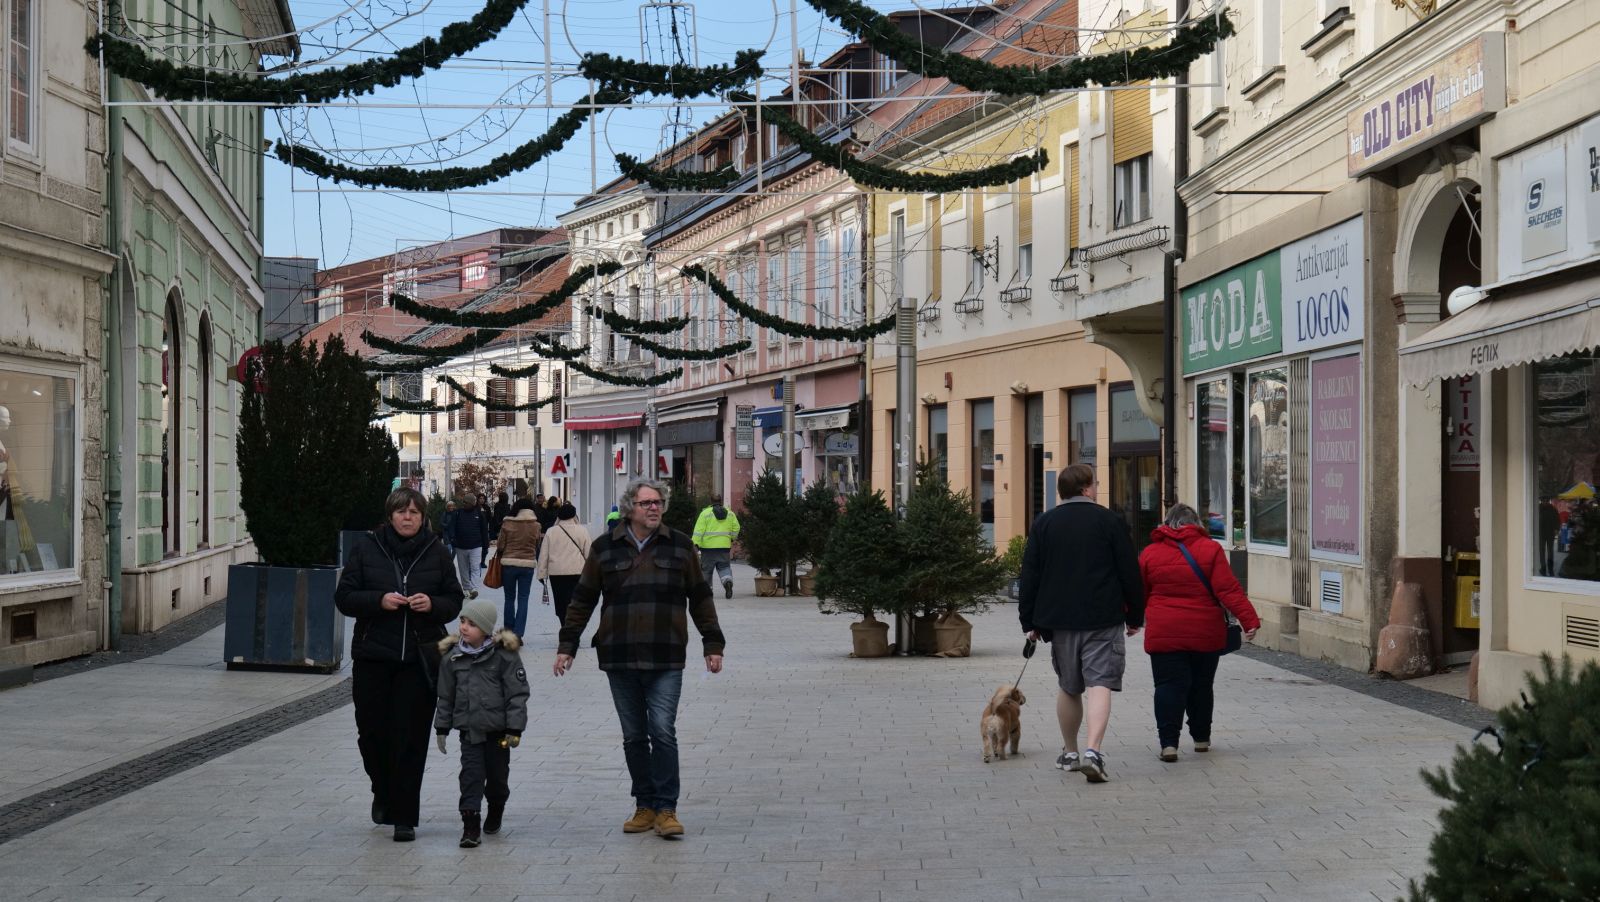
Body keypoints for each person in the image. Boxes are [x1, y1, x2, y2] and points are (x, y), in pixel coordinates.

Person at [553, 479, 725, 838]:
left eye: (658, 502)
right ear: (630, 507)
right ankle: (644, 805)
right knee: (634, 736)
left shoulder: (679, 545)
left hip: (666, 655)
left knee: (662, 731)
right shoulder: (604, 548)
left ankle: (667, 809)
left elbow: (700, 595)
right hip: (620, 656)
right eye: (646, 502)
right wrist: (567, 646)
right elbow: (582, 600)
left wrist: (713, 643)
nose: (654, 507)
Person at [334, 487, 464, 842]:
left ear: (423, 517)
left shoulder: (436, 552)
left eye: (414, 512)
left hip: (418, 660)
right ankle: (383, 789)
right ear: (390, 515)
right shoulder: (366, 548)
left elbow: (453, 599)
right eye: (401, 511)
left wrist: (432, 605)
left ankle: (404, 815)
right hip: (374, 657)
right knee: (372, 735)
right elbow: (344, 597)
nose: (408, 517)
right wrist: (379, 600)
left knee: (410, 738)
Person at [1018, 463, 1144, 784]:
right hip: (1102, 617)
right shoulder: (1110, 521)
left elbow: (1030, 574)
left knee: (1069, 685)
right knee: (1099, 682)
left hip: (1058, 620)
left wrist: (1028, 620)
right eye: (1096, 483)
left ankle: (1070, 752)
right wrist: (1135, 616)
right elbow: (1129, 572)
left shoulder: (1044, 523)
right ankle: (1094, 752)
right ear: (1087, 488)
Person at [1139, 503, 1261, 762]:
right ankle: (1201, 739)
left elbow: (1139, 593)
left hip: (1164, 632)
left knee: (1167, 686)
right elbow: (1228, 590)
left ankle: (1169, 744)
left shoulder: (1150, 553)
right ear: (1196, 524)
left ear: (1167, 523)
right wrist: (1249, 620)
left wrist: (1130, 620)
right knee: (1201, 686)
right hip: (1205, 632)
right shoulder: (1210, 549)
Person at [434, 597, 529, 848]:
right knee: (470, 777)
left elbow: (517, 694)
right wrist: (441, 728)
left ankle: (496, 807)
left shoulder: (504, 658)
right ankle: (470, 826)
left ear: (486, 629)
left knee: (498, 780)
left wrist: (514, 728)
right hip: (470, 733)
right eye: (463, 621)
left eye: (472, 624)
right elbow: (446, 695)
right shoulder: (453, 659)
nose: (464, 628)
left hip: (498, 734)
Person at [537, 502, 591, 628]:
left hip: (557, 574)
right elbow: (589, 552)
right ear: (574, 515)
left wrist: (541, 574)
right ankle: (573, 627)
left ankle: (564, 625)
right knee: (576, 601)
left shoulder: (551, 532)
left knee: (561, 602)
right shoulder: (582, 530)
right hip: (578, 571)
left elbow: (544, 554)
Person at [495, 504, 542, 638]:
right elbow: (537, 544)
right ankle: (518, 633)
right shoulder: (536, 525)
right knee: (523, 599)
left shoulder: (507, 523)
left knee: (509, 598)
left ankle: (508, 631)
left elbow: (500, 545)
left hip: (509, 564)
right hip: (527, 565)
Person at [691, 494, 741, 600]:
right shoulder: (730, 514)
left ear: (711, 501)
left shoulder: (705, 514)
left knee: (706, 571)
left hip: (708, 549)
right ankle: (727, 582)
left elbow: (698, 531)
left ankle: (707, 592)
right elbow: (736, 527)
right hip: (724, 547)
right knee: (724, 567)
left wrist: (695, 544)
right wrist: (731, 538)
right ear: (721, 501)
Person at [452, 493, 489, 599]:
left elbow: (484, 531)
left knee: (475, 568)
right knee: (463, 569)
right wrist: (453, 539)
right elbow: (452, 527)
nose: (464, 504)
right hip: (460, 546)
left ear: (472, 503)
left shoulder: (479, 514)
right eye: (464, 502)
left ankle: (473, 588)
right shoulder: (458, 513)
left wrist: (485, 545)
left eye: (467, 502)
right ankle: (466, 588)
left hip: (476, 546)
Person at [1539, 497, 1560, 577]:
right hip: (1540, 534)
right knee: (1541, 551)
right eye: (1544, 500)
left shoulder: (1553, 509)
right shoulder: (1538, 509)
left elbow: (1557, 520)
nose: (1545, 502)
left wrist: (1557, 529)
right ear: (1541, 500)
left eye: (1546, 500)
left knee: (1550, 551)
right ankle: (1543, 568)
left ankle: (1550, 569)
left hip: (1550, 533)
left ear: (1548, 501)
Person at [478, 495, 496, 569]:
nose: (482, 500)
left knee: (485, 548)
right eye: (480, 498)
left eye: (483, 498)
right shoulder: (475, 508)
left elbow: (490, 520)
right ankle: (476, 562)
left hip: (485, 530)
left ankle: (482, 561)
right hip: (477, 530)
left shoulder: (487, 508)